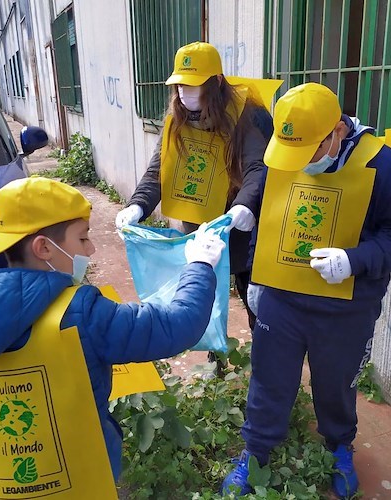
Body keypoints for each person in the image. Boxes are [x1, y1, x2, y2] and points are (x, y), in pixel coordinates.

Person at [0, 177, 225, 498]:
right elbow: (177, 325)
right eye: (83, 237)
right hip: (82, 479)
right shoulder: (83, 314)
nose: (90, 248)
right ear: (43, 247)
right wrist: (200, 264)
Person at [221, 83, 391, 498]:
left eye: (311, 151)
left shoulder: (383, 167)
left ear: (335, 131)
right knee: (269, 378)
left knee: (336, 383)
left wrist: (355, 260)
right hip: (283, 297)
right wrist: (257, 270)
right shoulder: (287, 151)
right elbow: (275, 212)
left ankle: (339, 447)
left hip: (347, 304)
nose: (301, 162)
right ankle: (255, 451)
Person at [115, 41, 273, 343]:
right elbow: (159, 171)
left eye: (194, 85)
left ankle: (262, 351)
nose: (184, 93)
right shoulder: (177, 118)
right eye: (180, 86)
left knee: (253, 295)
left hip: (242, 223)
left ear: (215, 83)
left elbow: (257, 168)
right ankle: (213, 353)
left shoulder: (248, 114)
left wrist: (245, 206)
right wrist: (137, 206)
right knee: (203, 290)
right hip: (199, 222)